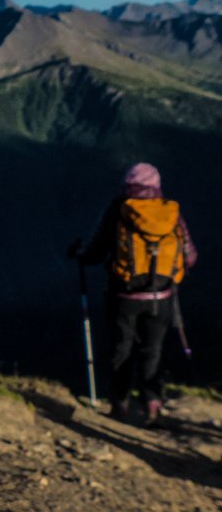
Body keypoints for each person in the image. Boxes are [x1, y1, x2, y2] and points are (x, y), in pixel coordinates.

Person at [76, 162, 197, 425]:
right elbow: (189, 256)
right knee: (151, 351)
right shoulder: (171, 213)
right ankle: (152, 405)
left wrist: (80, 254)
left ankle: (120, 406)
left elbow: (96, 251)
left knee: (121, 350)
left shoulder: (119, 210)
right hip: (162, 297)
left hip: (123, 297)